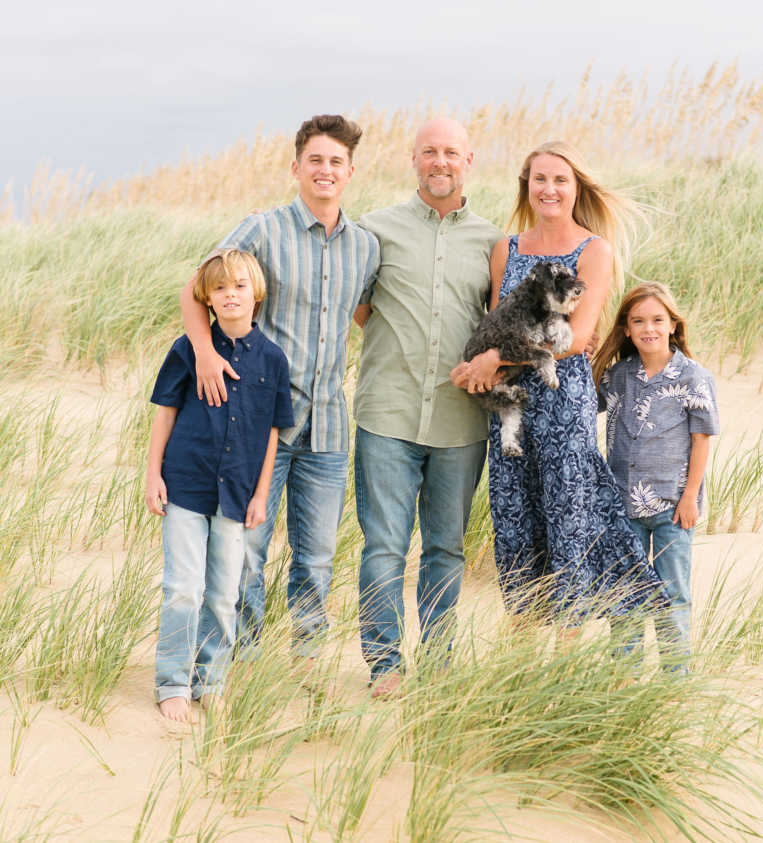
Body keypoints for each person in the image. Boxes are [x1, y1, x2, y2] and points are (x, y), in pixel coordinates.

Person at [179, 115, 379, 656]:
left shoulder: (365, 246)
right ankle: (240, 658)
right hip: (258, 425)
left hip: (329, 426)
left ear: (350, 172)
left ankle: (306, 662)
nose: (325, 170)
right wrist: (203, 353)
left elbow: (363, 314)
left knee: (316, 558)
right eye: (315, 159)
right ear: (296, 167)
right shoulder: (263, 229)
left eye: (336, 161)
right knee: (247, 549)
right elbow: (195, 289)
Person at [451, 140, 663, 627]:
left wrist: (495, 358)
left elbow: (575, 336)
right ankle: (524, 643)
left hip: (564, 406)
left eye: (559, 180)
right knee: (514, 520)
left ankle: (566, 650)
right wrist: (479, 366)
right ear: (526, 186)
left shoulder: (593, 250)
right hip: (512, 410)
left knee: (568, 520)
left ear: (575, 188)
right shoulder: (506, 248)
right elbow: (496, 322)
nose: (549, 189)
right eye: (539, 179)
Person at [353, 117, 502, 698]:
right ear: (413, 159)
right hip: (387, 414)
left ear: (470, 160)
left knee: (445, 547)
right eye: (429, 152)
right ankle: (384, 663)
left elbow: (499, 322)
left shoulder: (493, 241)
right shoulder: (376, 230)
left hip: (460, 420)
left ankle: (438, 662)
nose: (440, 162)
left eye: (451, 153)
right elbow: (361, 307)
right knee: (385, 544)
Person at [147, 249, 293, 722]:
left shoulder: (273, 358)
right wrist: (153, 474)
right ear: (207, 298)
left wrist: (261, 493)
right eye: (220, 288)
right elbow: (165, 411)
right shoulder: (188, 349)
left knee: (224, 594)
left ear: (257, 295)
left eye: (240, 287)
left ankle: (210, 680)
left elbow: (273, 430)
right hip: (185, 486)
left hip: (237, 495)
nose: (231, 295)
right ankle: (171, 682)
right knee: (183, 589)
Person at [594, 282, 719, 669]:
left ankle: (675, 679)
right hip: (622, 506)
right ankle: (624, 676)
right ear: (627, 329)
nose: (649, 328)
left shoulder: (693, 377)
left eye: (657, 320)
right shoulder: (616, 376)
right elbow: (582, 402)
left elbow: (701, 439)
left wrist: (690, 497)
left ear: (672, 326)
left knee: (672, 595)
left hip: (672, 507)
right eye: (639, 321)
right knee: (625, 595)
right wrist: (585, 353)